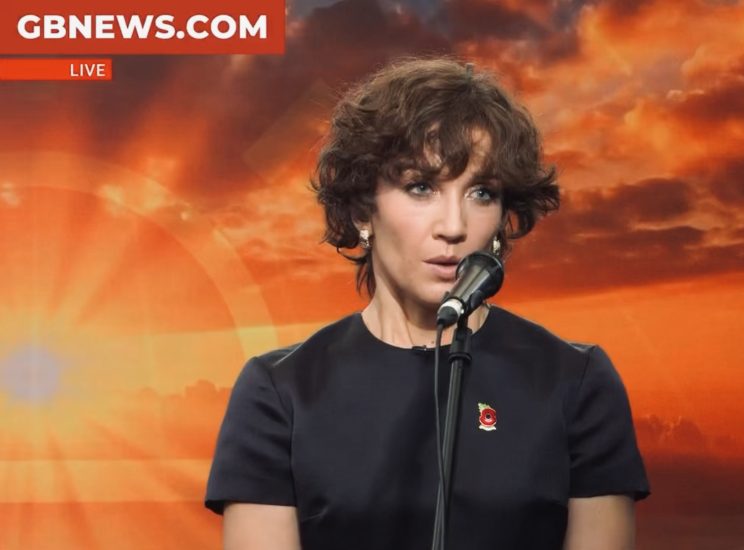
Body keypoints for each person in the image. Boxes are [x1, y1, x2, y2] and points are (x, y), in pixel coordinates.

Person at [204, 56, 650, 550]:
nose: (454, 226)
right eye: (421, 187)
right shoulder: (279, 392)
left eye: (482, 193)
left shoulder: (576, 381)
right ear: (361, 212)